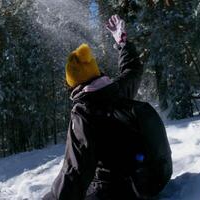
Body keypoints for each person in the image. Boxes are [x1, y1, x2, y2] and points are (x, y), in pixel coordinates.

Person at [43, 15, 172, 200]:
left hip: (124, 190)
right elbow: (132, 70)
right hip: (158, 177)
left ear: (73, 83)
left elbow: (76, 171)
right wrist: (123, 43)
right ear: (96, 72)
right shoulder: (115, 90)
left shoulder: (84, 112)